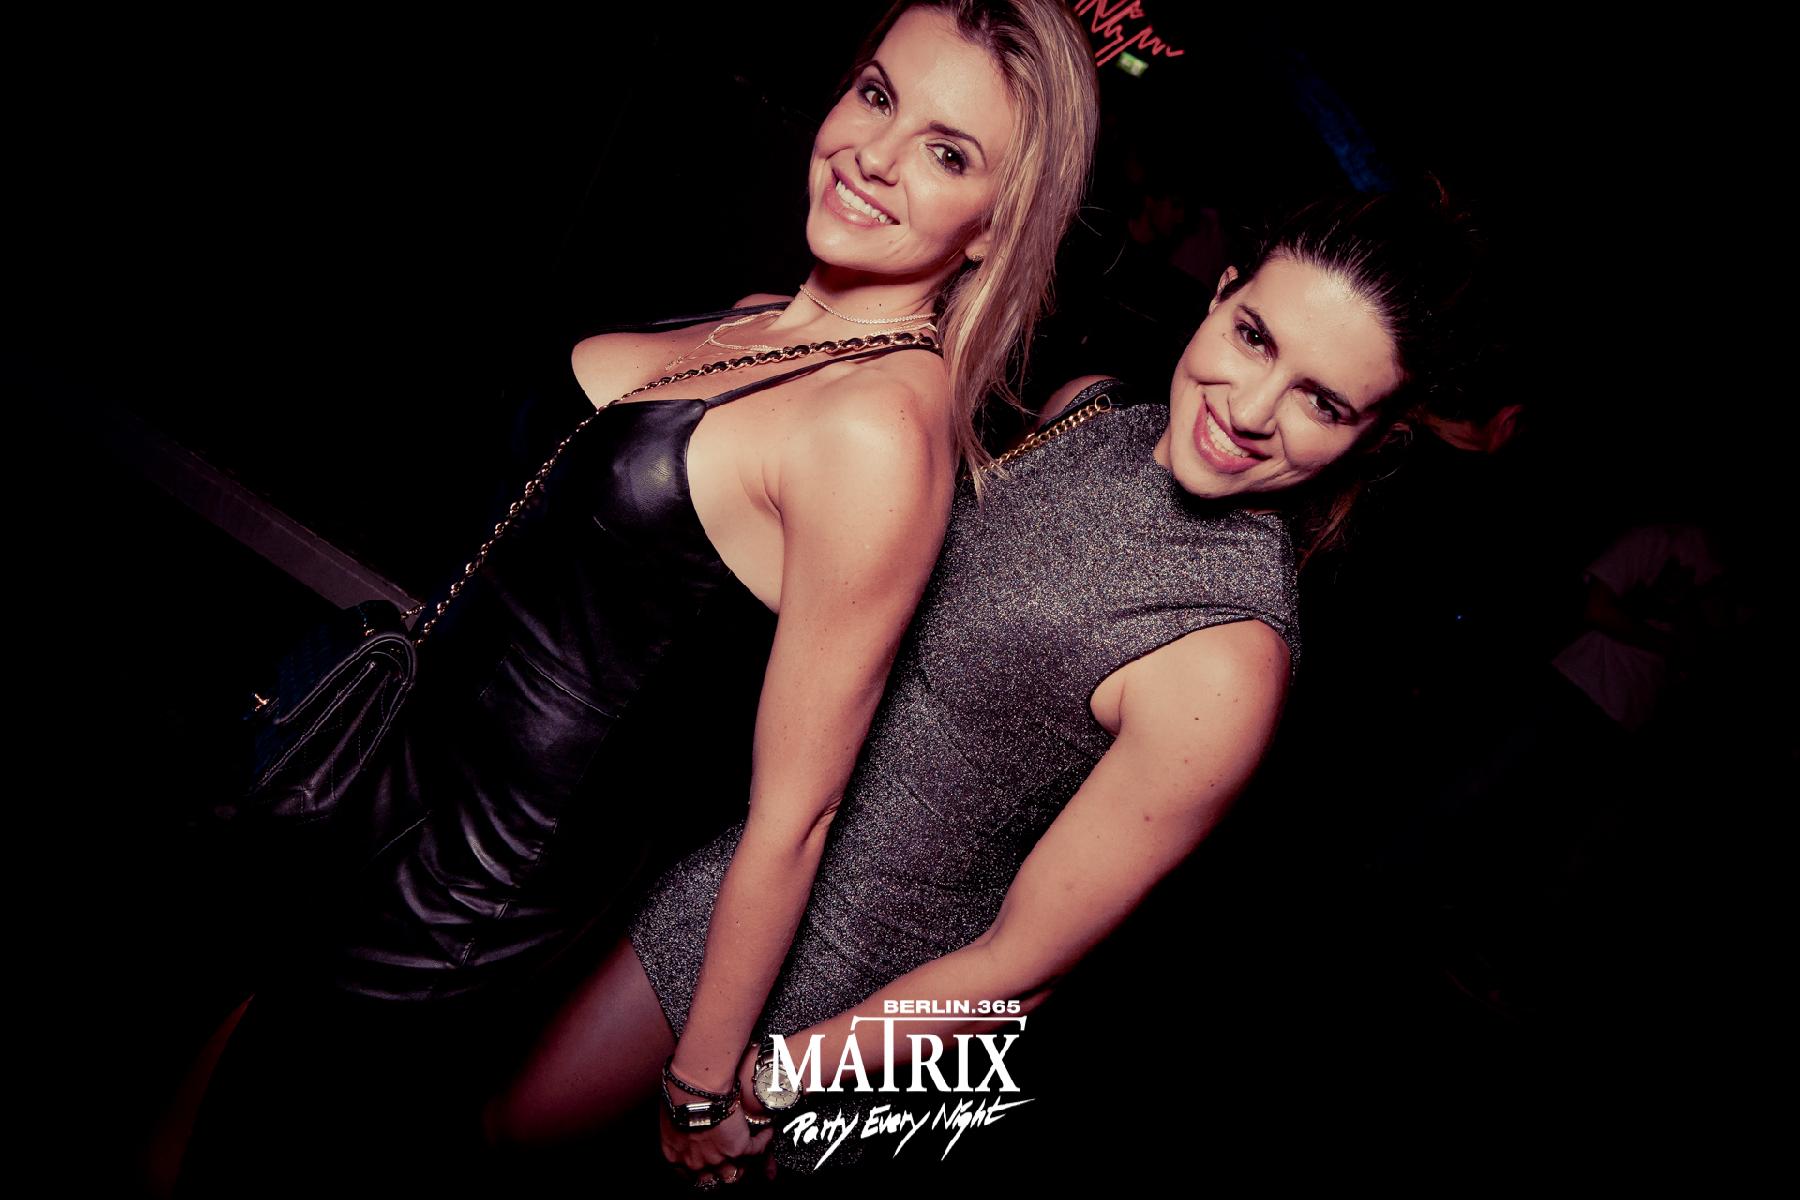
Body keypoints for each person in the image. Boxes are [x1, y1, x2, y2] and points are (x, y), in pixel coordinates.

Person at [170, 2, 1099, 1194]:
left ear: (997, 225)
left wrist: (701, 1083)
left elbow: (797, 813)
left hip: (452, 911)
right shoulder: (769, 319)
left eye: (947, 152)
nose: (873, 155)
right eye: (877, 94)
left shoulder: (875, 431)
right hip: (359, 815)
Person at [486, 183, 1492, 1184]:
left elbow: (1020, 968)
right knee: (493, 1114)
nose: (1252, 409)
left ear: (1373, 438)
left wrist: (768, 1088)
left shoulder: (1227, 661)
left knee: (515, 1137)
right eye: (1254, 336)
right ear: (1222, 291)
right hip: (746, 845)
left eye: (1322, 402)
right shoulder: (1088, 409)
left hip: (841, 987)